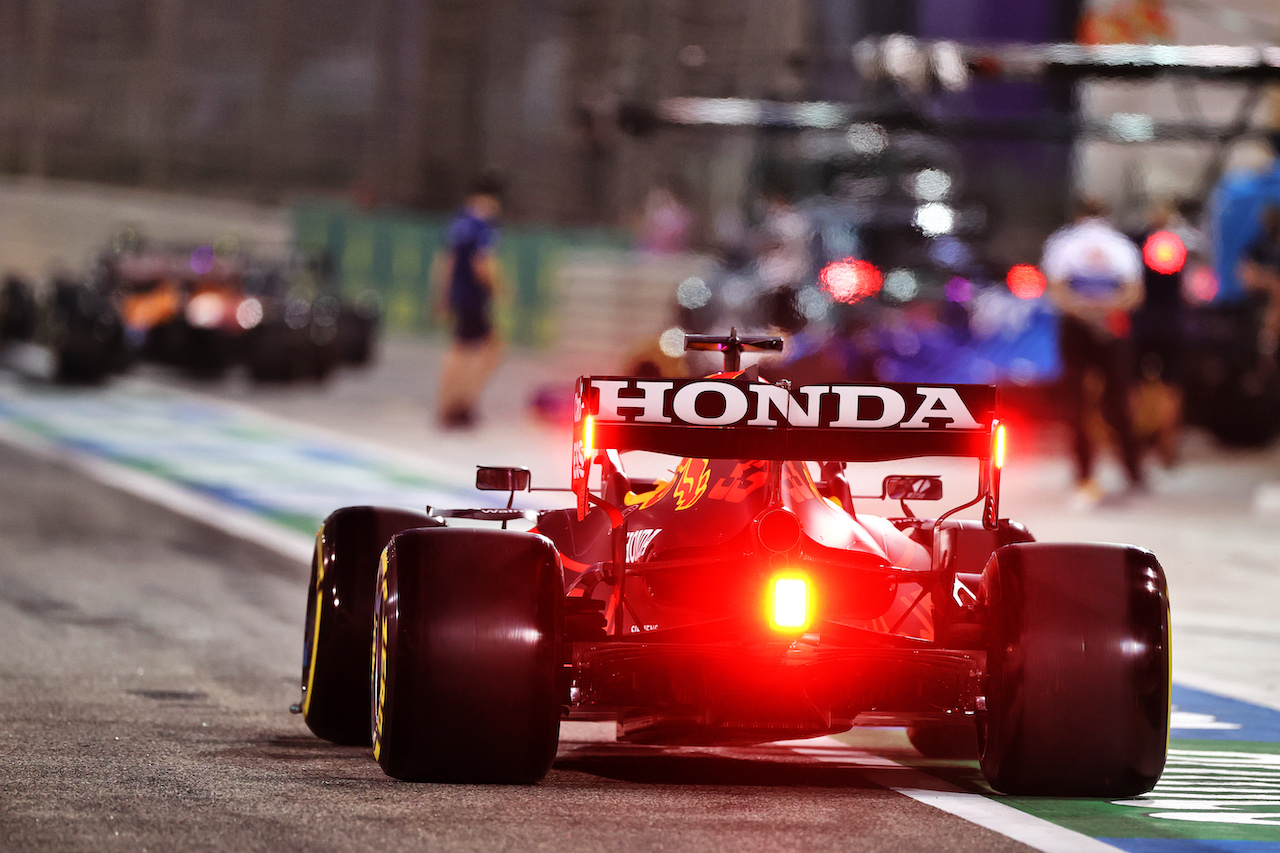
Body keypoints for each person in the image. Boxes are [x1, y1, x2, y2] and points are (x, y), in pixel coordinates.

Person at [1042, 198, 1146, 505]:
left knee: (1075, 403)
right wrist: (1103, 315)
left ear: (1078, 214)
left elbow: (1058, 293)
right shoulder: (1121, 245)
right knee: (1119, 401)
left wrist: (1086, 314)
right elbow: (1134, 294)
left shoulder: (1063, 242)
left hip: (1076, 327)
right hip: (1112, 327)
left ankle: (1084, 472)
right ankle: (1134, 471)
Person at [434, 173, 505, 428]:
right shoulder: (484, 226)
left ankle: (450, 404)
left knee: (461, 349)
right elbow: (482, 264)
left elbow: (446, 262)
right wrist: (499, 288)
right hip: (474, 297)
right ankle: (462, 403)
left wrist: (442, 296)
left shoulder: (458, 222)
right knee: (489, 350)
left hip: (458, 295)